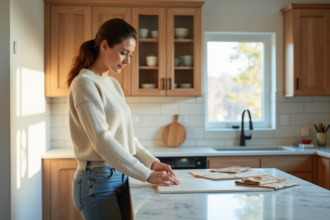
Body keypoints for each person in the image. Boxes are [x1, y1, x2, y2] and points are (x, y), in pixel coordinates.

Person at [67, 18, 180, 220]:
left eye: (131, 55)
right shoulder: (84, 83)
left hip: (120, 176)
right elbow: (102, 139)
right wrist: (146, 174)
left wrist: (152, 163)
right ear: (104, 45)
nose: (127, 60)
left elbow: (127, 138)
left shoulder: (113, 85)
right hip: (97, 181)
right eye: (123, 52)